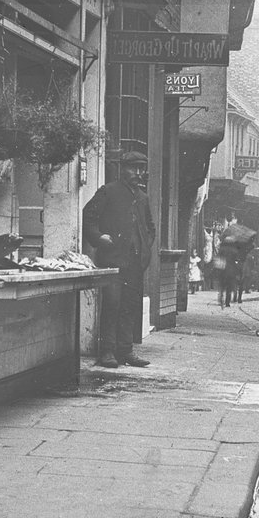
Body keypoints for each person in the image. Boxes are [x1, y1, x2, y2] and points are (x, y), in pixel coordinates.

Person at [82, 152, 156, 368]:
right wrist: (98, 237)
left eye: (142, 169)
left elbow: (150, 227)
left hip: (135, 262)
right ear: (122, 169)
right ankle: (107, 351)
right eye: (134, 168)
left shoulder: (142, 197)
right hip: (112, 259)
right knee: (112, 304)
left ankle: (126, 351)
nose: (138, 173)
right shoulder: (108, 191)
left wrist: (145, 245)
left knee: (129, 305)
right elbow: (89, 216)